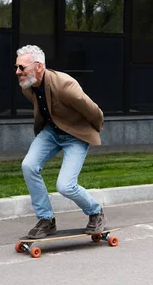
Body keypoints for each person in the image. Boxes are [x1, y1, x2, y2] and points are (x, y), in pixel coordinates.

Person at [15, 44, 105, 239]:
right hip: (51, 132)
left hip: (75, 134)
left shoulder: (64, 85)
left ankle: (95, 212)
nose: (17, 72)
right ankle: (46, 220)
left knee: (65, 185)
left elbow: (91, 108)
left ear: (38, 66)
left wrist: (98, 124)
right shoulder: (27, 87)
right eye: (17, 67)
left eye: (22, 67)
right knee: (29, 166)